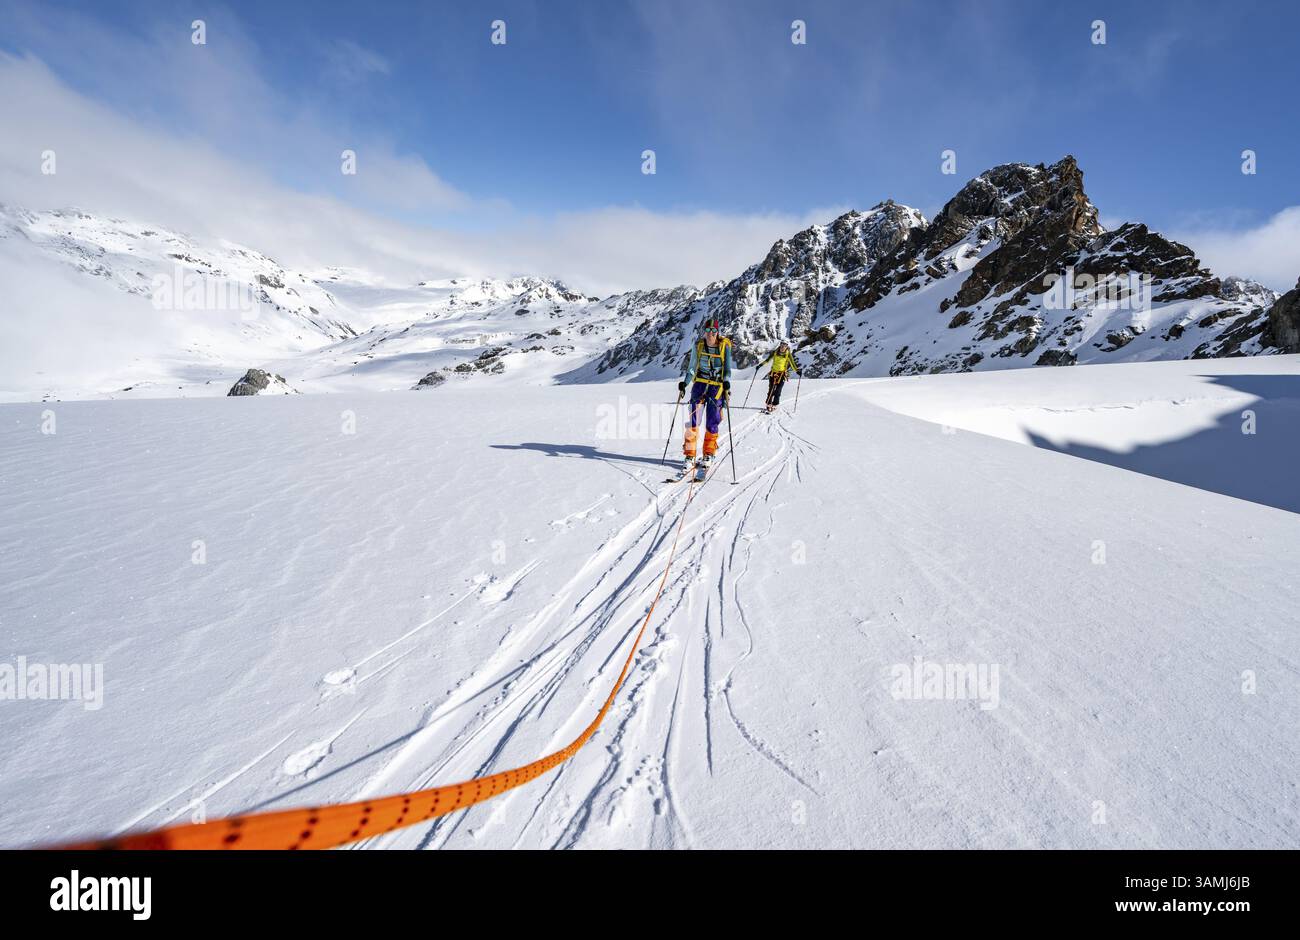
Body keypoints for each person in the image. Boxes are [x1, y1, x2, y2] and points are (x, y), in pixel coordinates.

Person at [677, 318, 732, 473]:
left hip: (716, 387)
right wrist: (685, 383)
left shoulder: (724, 347)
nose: (710, 334)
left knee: (712, 421)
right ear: (704, 331)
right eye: (708, 331)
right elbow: (692, 368)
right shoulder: (699, 346)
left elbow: (727, 369)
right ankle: (689, 455)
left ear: (717, 332)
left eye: (713, 331)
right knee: (693, 422)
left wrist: (727, 382)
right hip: (700, 385)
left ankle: (709, 453)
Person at [761, 340, 800, 413]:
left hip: (782, 374)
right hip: (773, 373)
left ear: (787, 346)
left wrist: (797, 370)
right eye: (782, 345)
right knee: (771, 389)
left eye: (784, 345)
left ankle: (775, 404)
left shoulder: (788, 354)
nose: (782, 347)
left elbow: (792, 363)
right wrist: (760, 365)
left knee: (778, 390)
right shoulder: (775, 352)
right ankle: (769, 404)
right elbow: (768, 360)